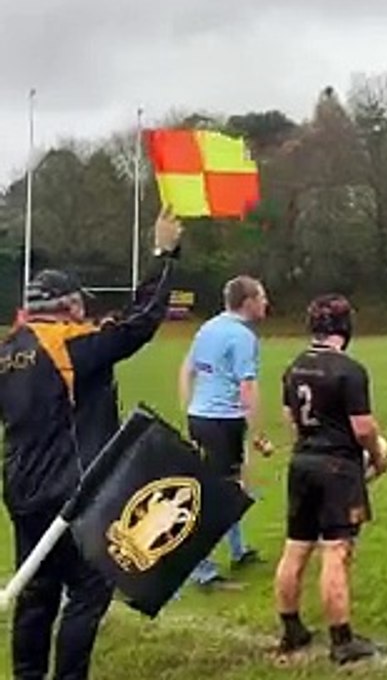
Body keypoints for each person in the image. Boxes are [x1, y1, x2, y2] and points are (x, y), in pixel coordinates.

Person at [0, 209, 182, 680]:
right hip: (77, 493)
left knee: (36, 593)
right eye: (81, 304)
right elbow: (140, 322)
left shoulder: (7, 350)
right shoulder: (73, 344)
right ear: (68, 306)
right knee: (87, 591)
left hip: (22, 489)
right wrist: (165, 255)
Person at [275, 294, 387, 665]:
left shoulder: (293, 367)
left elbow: (290, 420)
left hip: (302, 462)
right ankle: (342, 641)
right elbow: (362, 428)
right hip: (337, 467)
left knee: (296, 547)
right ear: (345, 327)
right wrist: (378, 454)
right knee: (336, 551)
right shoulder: (349, 370)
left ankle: (292, 629)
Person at [180, 275, 272, 590]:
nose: (266, 303)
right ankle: (201, 570)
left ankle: (238, 551)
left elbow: (187, 370)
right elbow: (248, 387)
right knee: (219, 495)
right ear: (247, 302)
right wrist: (259, 435)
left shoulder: (208, 328)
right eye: (261, 297)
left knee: (232, 488)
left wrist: (190, 408)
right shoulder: (242, 337)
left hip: (202, 417)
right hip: (222, 422)